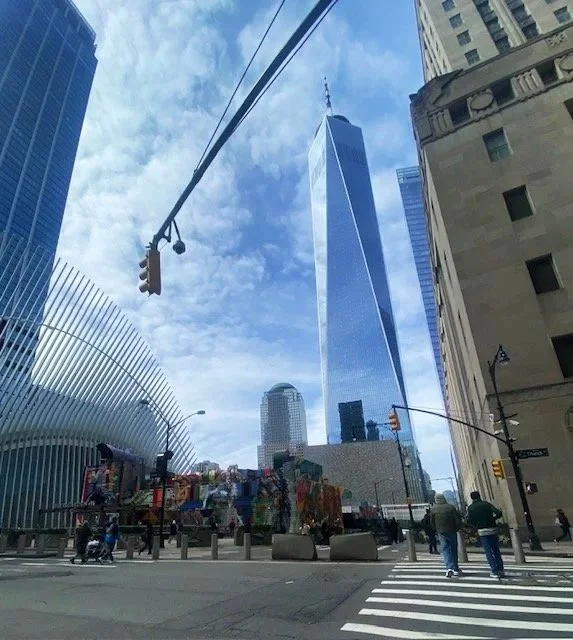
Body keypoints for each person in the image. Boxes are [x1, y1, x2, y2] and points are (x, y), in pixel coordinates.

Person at [467, 490, 504, 578]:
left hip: (482, 531)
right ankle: (501, 569)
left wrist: (475, 526)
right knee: (496, 550)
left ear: (472, 498)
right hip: (492, 529)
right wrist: (493, 519)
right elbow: (498, 513)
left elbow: (470, 521)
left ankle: (494, 571)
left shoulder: (471, 508)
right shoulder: (486, 504)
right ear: (479, 496)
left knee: (488, 551)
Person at [431, 494, 462, 577]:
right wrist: (457, 528)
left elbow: (432, 522)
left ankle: (449, 568)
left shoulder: (433, 509)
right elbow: (457, 519)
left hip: (441, 531)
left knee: (445, 549)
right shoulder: (450, 507)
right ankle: (455, 568)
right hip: (452, 530)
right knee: (453, 549)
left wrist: (436, 529)